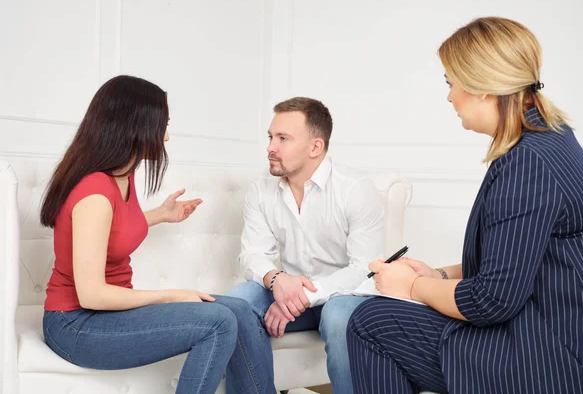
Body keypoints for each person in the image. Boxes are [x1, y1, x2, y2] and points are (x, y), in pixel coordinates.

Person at [347, 16, 583, 394]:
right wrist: (440, 275)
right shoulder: (553, 138)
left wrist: (413, 286)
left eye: (451, 83)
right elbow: (521, 255)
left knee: (371, 321)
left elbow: (491, 301)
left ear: (482, 86)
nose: (449, 96)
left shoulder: (528, 162)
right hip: (570, 341)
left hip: (553, 360)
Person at [40, 75, 270, 394]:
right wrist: (171, 294)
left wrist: (159, 215)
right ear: (137, 126)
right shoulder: (94, 192)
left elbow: (110, 229)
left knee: (240, 310)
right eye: (162, 125)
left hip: (107, 315)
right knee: (219, 322)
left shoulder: (122, 175)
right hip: (77, 325)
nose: (166, 136)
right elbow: (92, 294)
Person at [225, 97, 385, 393]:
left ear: (315, 147)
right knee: (237, 304)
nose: (271, 147)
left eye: (283, 139)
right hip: (290, 293)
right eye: (271, 137)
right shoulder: (262, 189)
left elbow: (366, 268)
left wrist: (301, 297)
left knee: (338, 316)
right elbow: (252, 253)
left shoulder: (354, 189)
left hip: (344, 296)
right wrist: (276, 280)